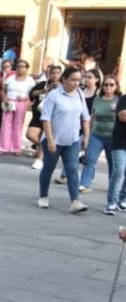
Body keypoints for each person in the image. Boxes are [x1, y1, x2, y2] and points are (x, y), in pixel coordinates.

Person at [38, 66, 90, 214]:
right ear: (64, 79)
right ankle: (43, 196)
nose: (76, 83)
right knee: (49, 168)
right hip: (53, 139)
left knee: (72, 169)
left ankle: (75, 201)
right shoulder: (54, 95)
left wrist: (86, 136)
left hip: (72, 140)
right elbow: (46, 119)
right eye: (73, 80)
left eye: (78, 80)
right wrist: (50, 140)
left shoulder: (80, 94)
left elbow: (85, 117)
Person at [82, 76, 120, 212]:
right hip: (96, 134)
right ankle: (85, 183)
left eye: (111, 85)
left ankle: (112, 187)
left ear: (116, 86)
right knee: (90, 159)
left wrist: (116, 109)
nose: (108, 87)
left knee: (113, 164)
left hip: (113, 136)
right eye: (106, 85)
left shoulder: (119, 100)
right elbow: (92, 116)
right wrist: (88, 133)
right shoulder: (97, 99)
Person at [26, 65, 62, 169]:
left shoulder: (63, 86)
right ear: (49, 74)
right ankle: (42, 148)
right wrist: (44, 91)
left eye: (57, 73)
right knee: (30, 134)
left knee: (44, 137)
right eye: (52, 73)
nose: (55, 75)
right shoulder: (43, 84)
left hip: (51, 117)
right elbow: (32, 93)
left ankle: (39, 160)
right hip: (38, 115)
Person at [0, 60, 33, 155]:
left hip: (21, 103)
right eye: (18, 66)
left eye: (22, 66)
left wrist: (26, 98)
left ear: (27, 68)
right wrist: (5, 98)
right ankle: (3, 147)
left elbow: (33, 94)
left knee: (18, 125)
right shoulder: (11, 78)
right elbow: (3, 90)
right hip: (9, 101)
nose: (20, 68)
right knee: (5, 124)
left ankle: (17, 148)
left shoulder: (30, 80)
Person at [108, 83, 126, 214]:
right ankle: (111, 202)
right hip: (120, 141)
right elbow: (122, 116)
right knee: (118, 171)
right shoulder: (124, 99)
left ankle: (122, 200)